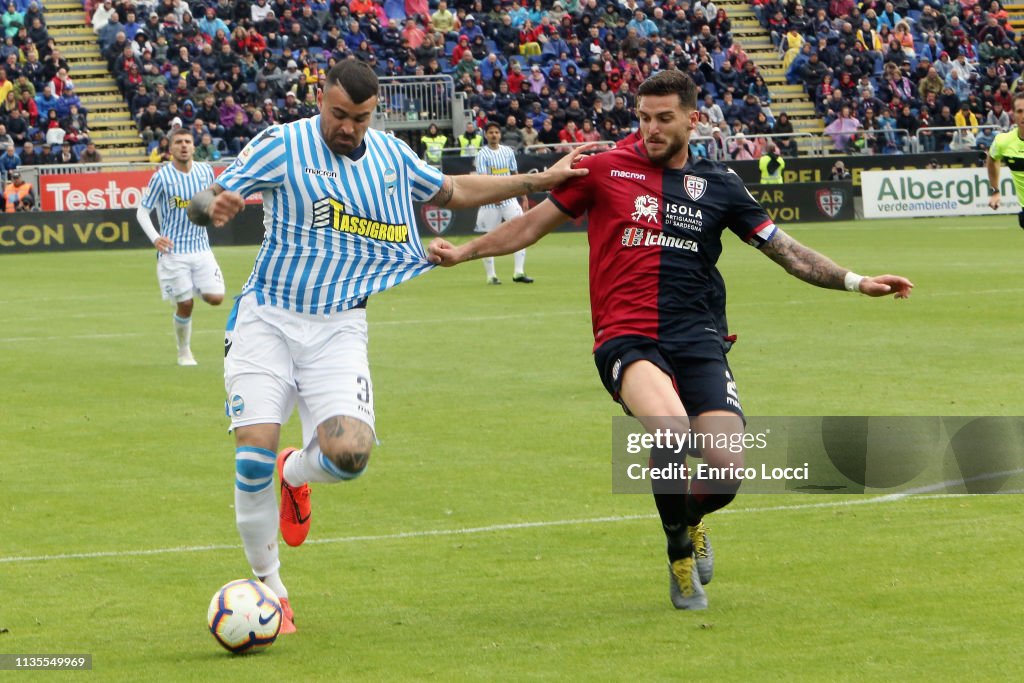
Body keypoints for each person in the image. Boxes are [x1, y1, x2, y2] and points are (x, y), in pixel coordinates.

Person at [427, 69, 913, 611]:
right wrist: (464, 252)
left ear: (692, 119)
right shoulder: (604, 168)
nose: (651, 129)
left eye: (663, 118)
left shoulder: (722, 185)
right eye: (643, 118)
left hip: (699, 337)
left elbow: (786, 250)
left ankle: (695, 516)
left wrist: (855, 281)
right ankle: (680, 554)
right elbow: (529, 226)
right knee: (671, 431)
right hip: (626, 336)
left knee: (726, 473)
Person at [185, 61, 591, 633]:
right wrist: (216, 207)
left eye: (360, 117)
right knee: (250, 457)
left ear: (374, 113)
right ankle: (270, 588)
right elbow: (206, 200)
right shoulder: (282, 144)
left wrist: (539, 181)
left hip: (339, 327)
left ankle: (295, 474)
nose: (348, 128)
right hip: (267, 320)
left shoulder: (390, 157)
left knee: (349, 457)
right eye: (338, 115)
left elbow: (453, 191)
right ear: (319, 101)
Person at [136, 127, 224, 366]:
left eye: (187, 141)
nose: (184, 145)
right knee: (185, 304)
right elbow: (142, 211)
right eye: (179, 142)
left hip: (202, 249)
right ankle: (184, 352)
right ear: (171, 148)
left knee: (216, 298)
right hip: (173, 252)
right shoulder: (162, 177)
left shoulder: (206, 172)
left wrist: (216, 213)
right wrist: (155, 237)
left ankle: (191, 284)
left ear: (194, 146)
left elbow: (214, 199)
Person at [474, 121, 533, 285]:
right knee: (488, 238)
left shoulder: (508, 152)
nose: (494, 135)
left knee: (521, 232)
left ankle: (519, 272)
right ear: (486, 135)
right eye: (491, 132)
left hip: (509, 199)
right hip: (490, 202)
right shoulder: (482, 154)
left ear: (500, 135)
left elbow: (515, 175)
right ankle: (491, 276)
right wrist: (493, 195)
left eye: (496, 132)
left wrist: (524, 196)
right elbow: (482, 179)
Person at [986, 92, 1024, 226]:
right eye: (1020, 111)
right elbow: (992, 160)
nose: (1023, 116)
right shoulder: (1003, 141)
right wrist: (995, 190)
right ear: (1013, 114)